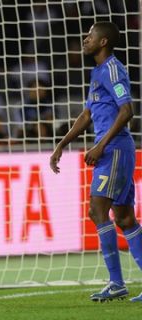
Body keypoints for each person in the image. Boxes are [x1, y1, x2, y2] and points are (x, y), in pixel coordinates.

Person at [50, 21, 142, 302]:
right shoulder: (98, 72)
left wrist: (100, 146)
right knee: (125, 218)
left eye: (90, 35)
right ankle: (118, 282)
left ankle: (116, 283)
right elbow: (87, 115)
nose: (85, 38)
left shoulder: (113, 68)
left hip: (113, 150)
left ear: (104, 42)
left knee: (97, 211)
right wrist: (61, 144)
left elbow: (128, 111)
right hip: (113, 149)